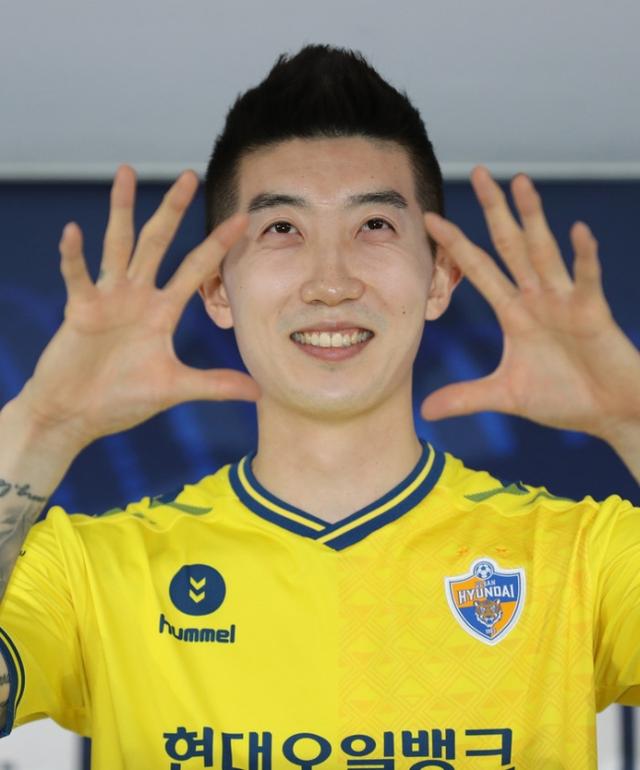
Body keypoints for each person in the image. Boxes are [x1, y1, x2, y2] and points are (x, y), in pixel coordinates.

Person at [0, 43, 638, 770]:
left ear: (440, 279)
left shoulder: (580, 559)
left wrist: (633, 419)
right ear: (216, 289)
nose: (330, 283)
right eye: (282, 229)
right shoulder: (96, 572)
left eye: (374, 226)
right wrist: (41, 426)